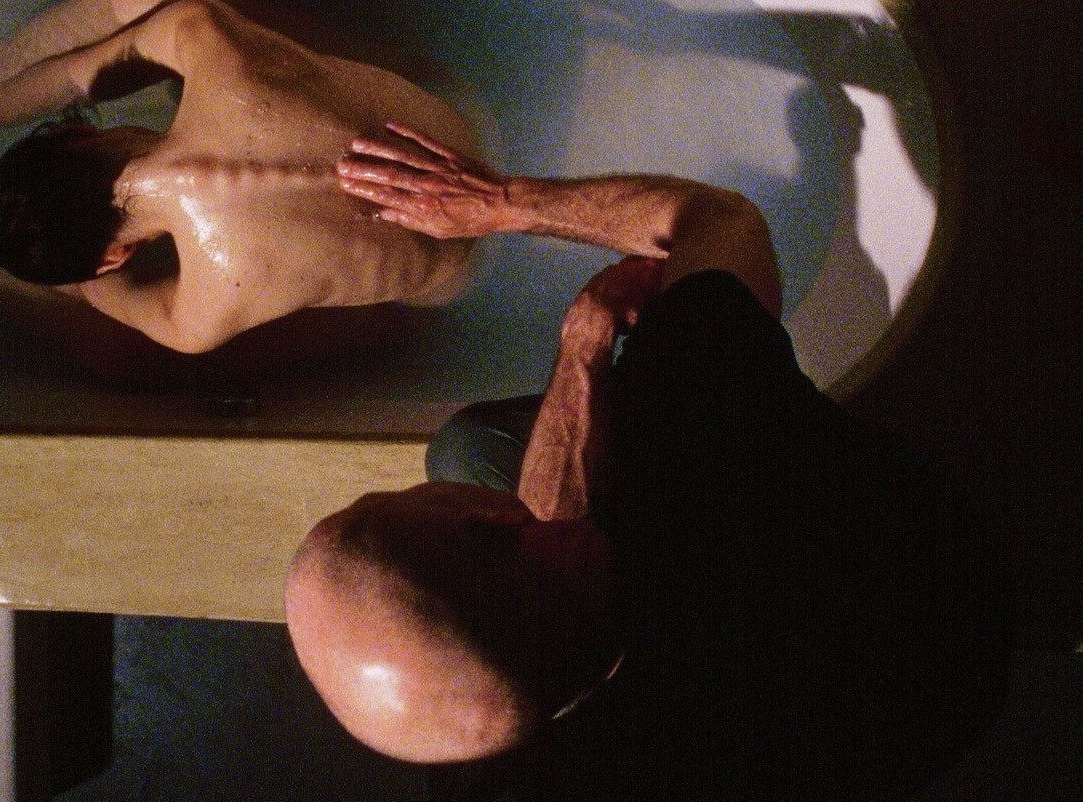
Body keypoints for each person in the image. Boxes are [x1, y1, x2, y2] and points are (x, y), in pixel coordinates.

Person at [285, 124, 1008, 797]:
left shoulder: (514, 752)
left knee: (469, 449)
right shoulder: (699, 445)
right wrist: (499, 203)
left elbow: (551, 571)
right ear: (497, 522)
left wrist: (582, 354)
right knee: (476, 449)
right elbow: (716, 221)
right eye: (402, 500)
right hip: (937, 602)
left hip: (904, 729)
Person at [0, 0, 477, 355]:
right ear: (75, 135)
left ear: (115, 255)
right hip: (467, 122)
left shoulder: (200, 314)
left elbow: (86, 287)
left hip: (461, 281)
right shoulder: (213, 49)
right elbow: (80, 72)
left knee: (112, 354)